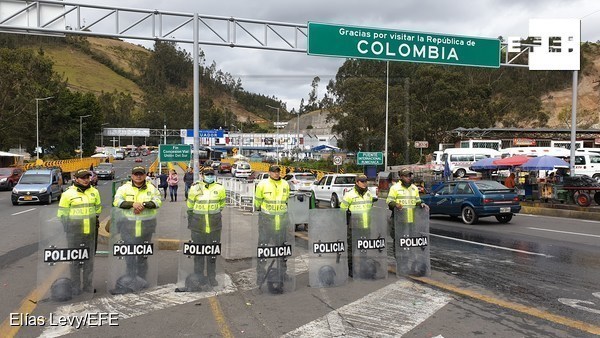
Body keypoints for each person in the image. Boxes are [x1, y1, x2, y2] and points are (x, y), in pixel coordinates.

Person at [113, 166, 162, 282]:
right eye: (136, 174)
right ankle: (130, 278)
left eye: (141, 174)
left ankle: (142, 280)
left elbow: (158, 201)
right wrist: (132, 204)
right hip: (128, 227)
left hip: (146, 228)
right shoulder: (123, 188)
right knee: (129, 256)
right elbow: (117, 201)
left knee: (142, 256)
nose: (138, 176)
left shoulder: (152, 188)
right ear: (132, 176)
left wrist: (143, 205)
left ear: (145, 176)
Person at [57, 168, 102, 294]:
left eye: (87, 177)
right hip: (74, 232)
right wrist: (70, 227)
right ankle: (75, 286)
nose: (86, 180)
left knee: (89, 260)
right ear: (76, 179)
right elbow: (62, 214)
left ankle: (88, 286)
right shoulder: (68, 194)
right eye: (83, 177)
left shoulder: (95, 192)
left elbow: (97, 209)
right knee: (75, 260)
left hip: (91, 232)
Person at [186, 167, 226, 286]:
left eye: (211, 174)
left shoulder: (220, 188)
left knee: (212, 254)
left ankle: (211, 278)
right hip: (198, 225)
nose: (209, 176)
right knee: (198, 254)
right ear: (202, 175)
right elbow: (190, 206)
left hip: (214, 225)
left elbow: (222, 205)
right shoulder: (195, 187)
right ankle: (198, 276)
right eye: (207, 174)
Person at [254, 165, 291, 285]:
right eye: (274, 172)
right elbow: (258, 202)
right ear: (269, 172)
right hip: (266, 222)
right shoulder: (262, 184)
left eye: (278, 172)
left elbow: (286, 200)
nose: (276, 174)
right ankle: (260, 275)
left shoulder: (285, 184)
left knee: (282, 250)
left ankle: (282, 273)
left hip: (281, 222)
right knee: (263, 248)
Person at [340, 174, 375, 277]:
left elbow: (370, 207)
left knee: (364, 248)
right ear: (357, 182)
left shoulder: (368, 194)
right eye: (362, 181)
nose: (365, 183)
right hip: (354, 226)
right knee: (352, 248)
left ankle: (363, 267)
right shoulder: (349, 195)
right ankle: (351, 269)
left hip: (366, 225)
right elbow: (342, 209)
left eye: (365, 181)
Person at [386, 168, 427, 258]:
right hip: (399, 220)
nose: (409, 177)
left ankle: (409, 259)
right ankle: (399, 259)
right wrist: (395, 204)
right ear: (401, 177)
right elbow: (389, 201)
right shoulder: (395, 188)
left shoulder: (414, 188)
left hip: (411, 219)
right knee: (398, 240)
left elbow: (417, 200)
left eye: (410, 175)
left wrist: (421, 203)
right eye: (406, 176)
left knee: (410, 241)